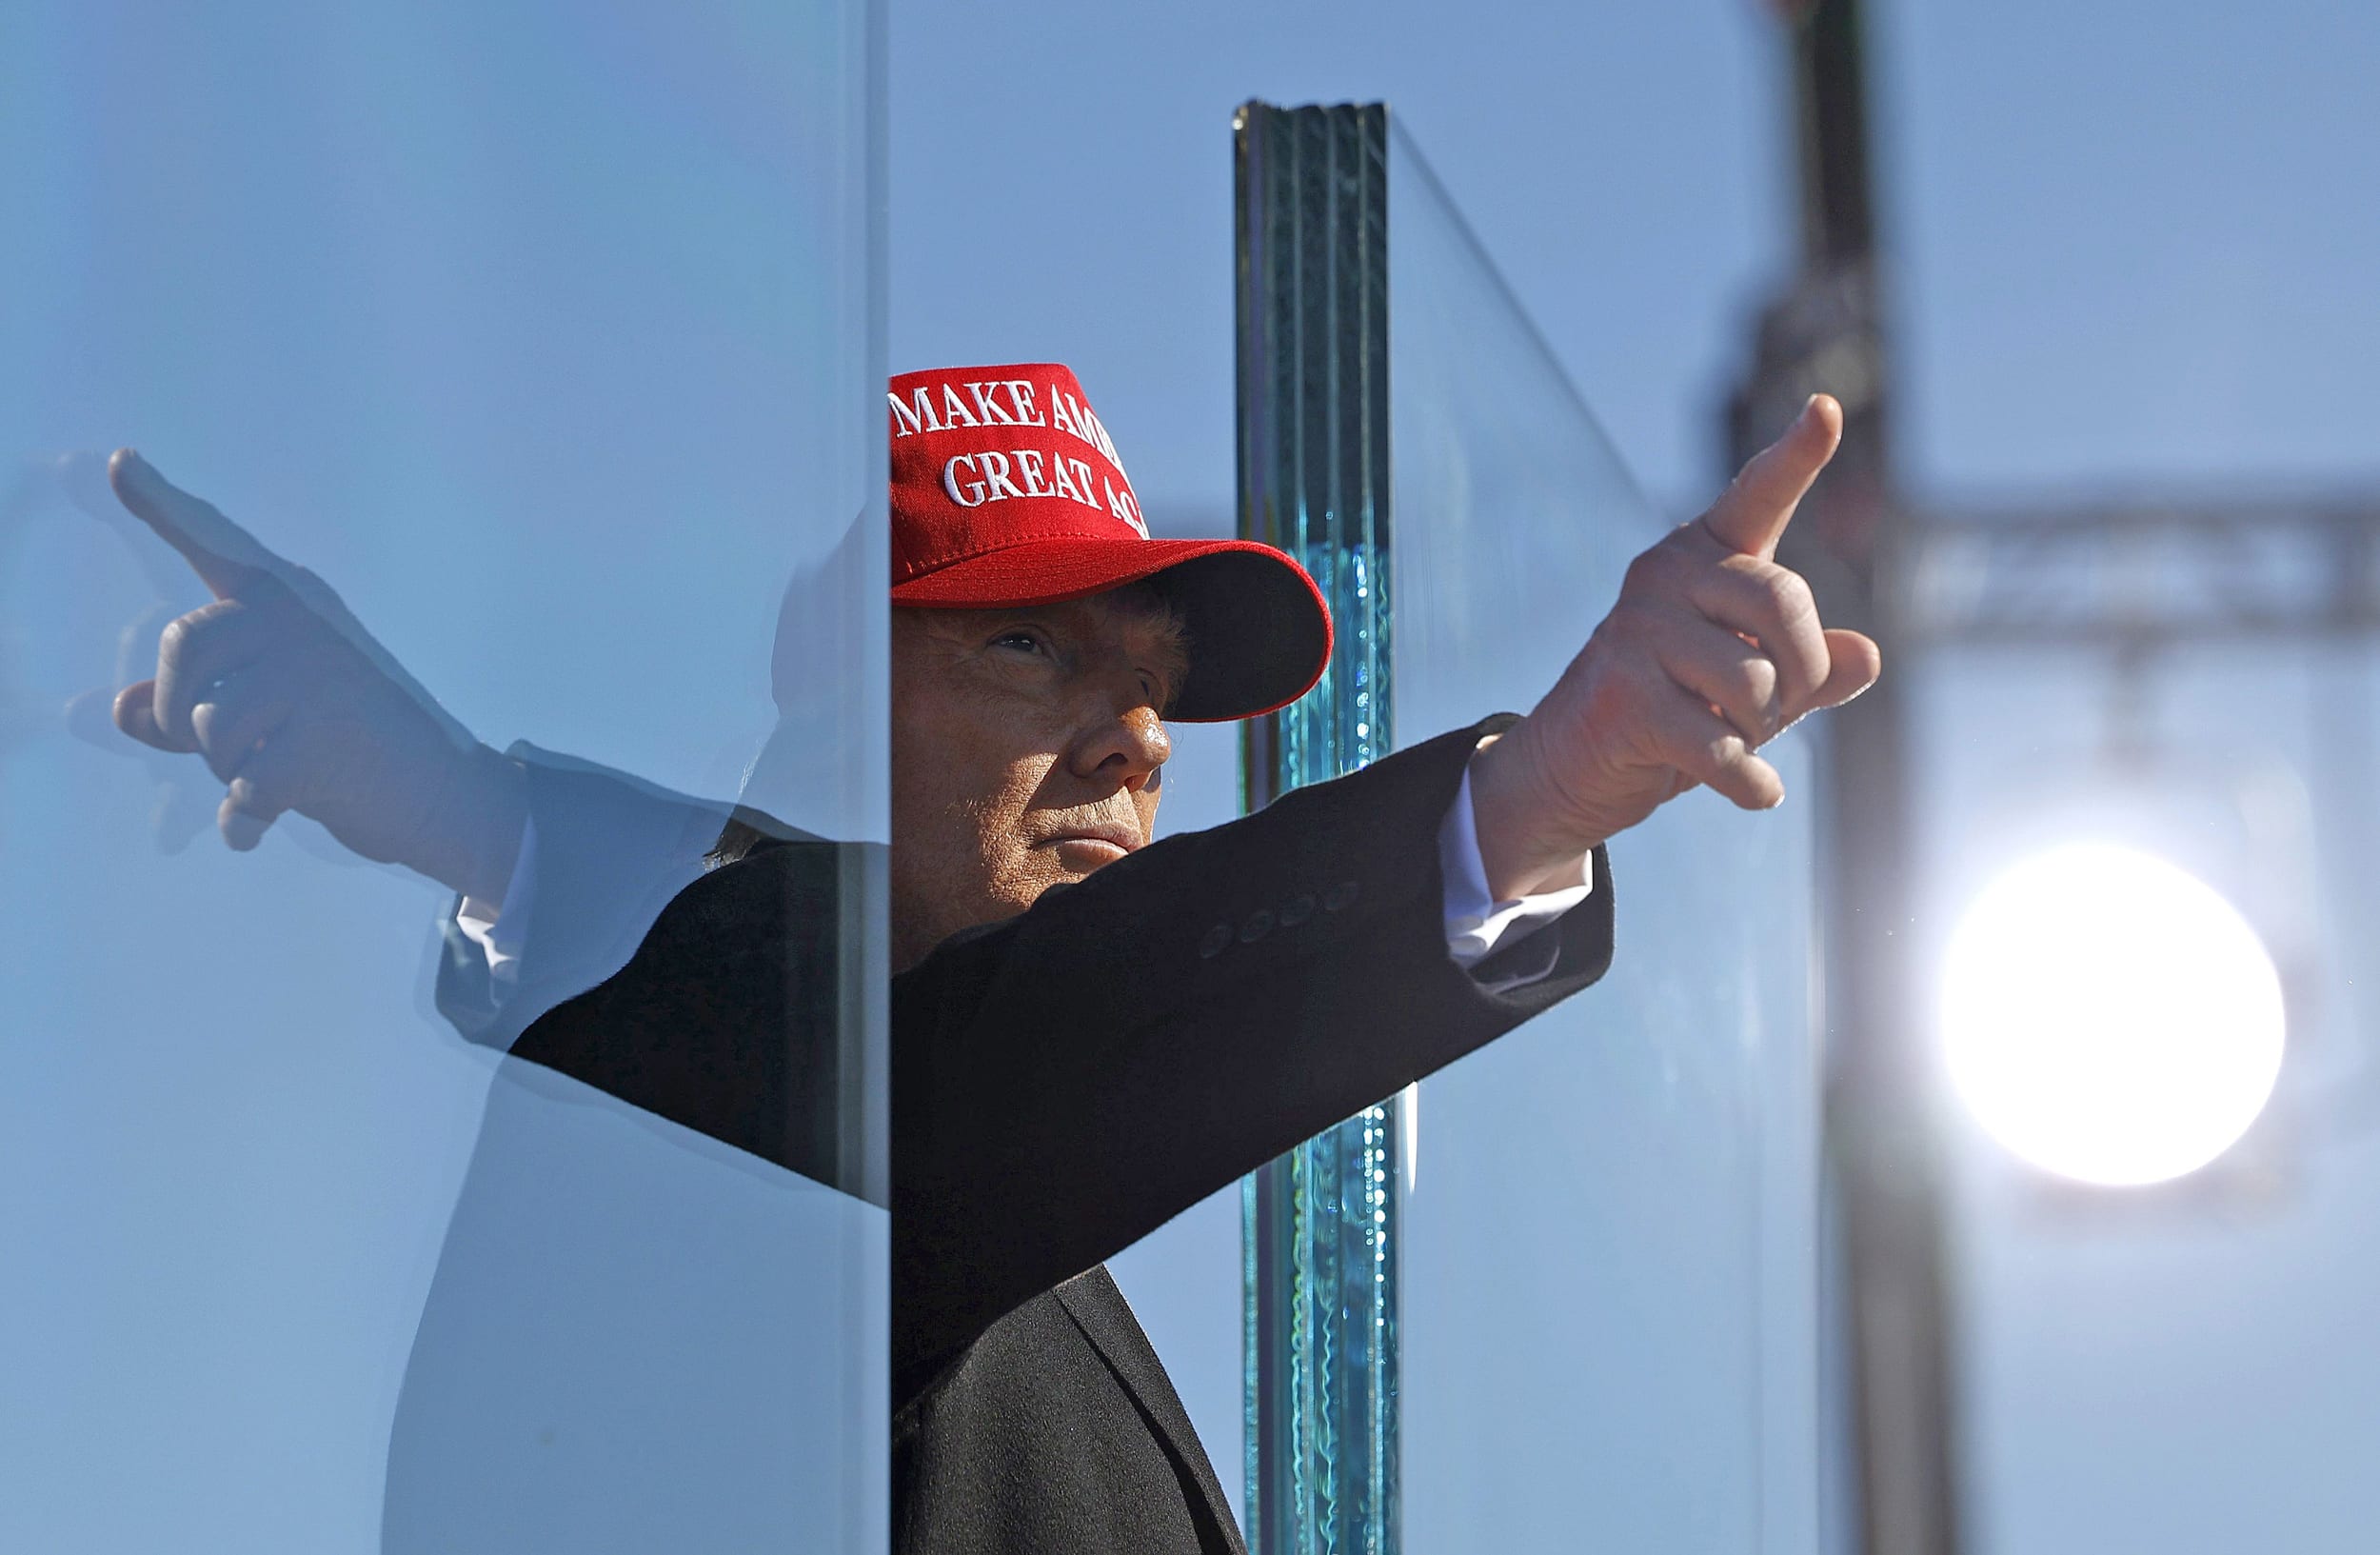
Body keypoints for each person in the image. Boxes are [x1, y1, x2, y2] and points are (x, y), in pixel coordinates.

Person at [102, 363, 1878, 1553]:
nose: (1141, 740)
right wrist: (1537, 793)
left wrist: (468, 807)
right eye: (1031, 647)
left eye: (1159, 682)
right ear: (825, 676)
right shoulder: (748, 1068)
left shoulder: (952, 1171)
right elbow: (881, 1029)